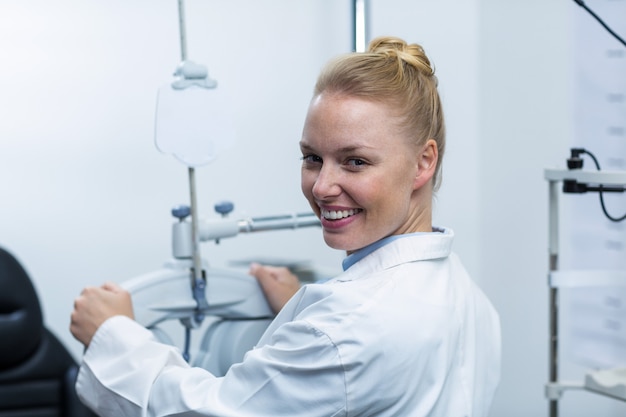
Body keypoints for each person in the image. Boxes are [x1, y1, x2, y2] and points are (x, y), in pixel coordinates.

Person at [70, 36, 501, 417]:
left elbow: (208, 410)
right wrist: (303, 311)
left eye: (355, 161)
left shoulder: (347, 329)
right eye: (312, 157)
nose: (322, 186)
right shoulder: (467, 296)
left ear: (423, 162)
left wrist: (115, 338)